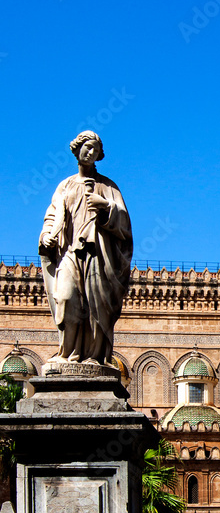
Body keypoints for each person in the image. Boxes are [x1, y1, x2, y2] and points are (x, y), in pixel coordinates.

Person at [38, 131, 132, 365]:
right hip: (70, 252)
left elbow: (125, 225)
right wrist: (47, 236)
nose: (90, 153)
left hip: (98, 255)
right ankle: (67, 354)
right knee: (67, 299)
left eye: (95, 150)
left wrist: (106, 207)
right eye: (87, 147)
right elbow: (52, 215)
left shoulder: (108, 187)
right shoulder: (65, 186)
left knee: (95, 306)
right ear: (76, 149)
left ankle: (93, 356)